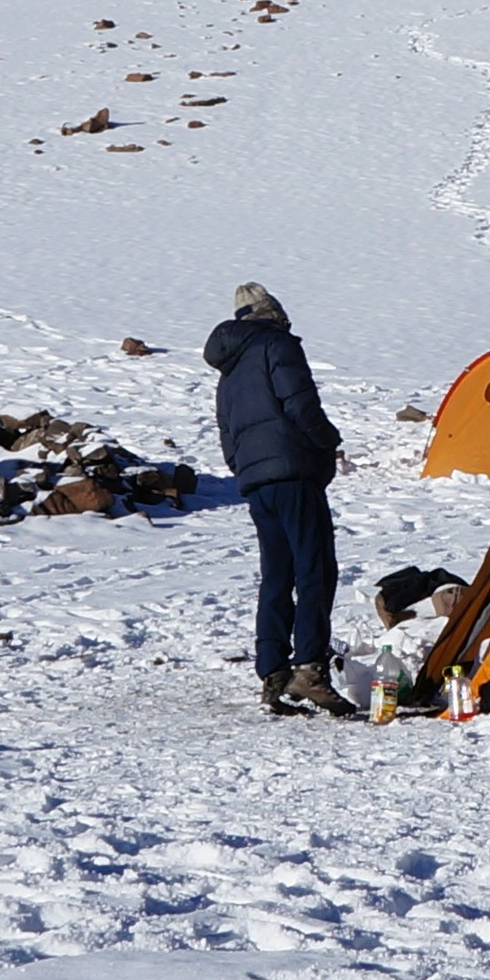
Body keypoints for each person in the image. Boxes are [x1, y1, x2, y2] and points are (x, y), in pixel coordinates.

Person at [208, 282, 353, 716]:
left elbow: (227, 434)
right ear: (273, 314)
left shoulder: (229, 369)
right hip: (294, 473)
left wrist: (246, 470)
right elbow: (300, 404)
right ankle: (309, 669)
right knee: (315, 569)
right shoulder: (278, 346)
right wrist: (328, 442)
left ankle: (272, 671)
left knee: (277, 573)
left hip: (257, 482)